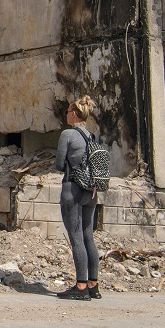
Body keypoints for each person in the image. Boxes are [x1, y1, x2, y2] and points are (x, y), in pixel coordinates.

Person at [54, 95, 101, 301]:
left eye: (67, 112)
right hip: (91, 191)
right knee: (88, 236)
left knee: (76, 237)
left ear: (73, 114)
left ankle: (80, 287)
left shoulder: (67, 134)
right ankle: (93, 285)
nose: (66, 115)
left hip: (72, 188)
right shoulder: (91, 136)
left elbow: (58, 164)